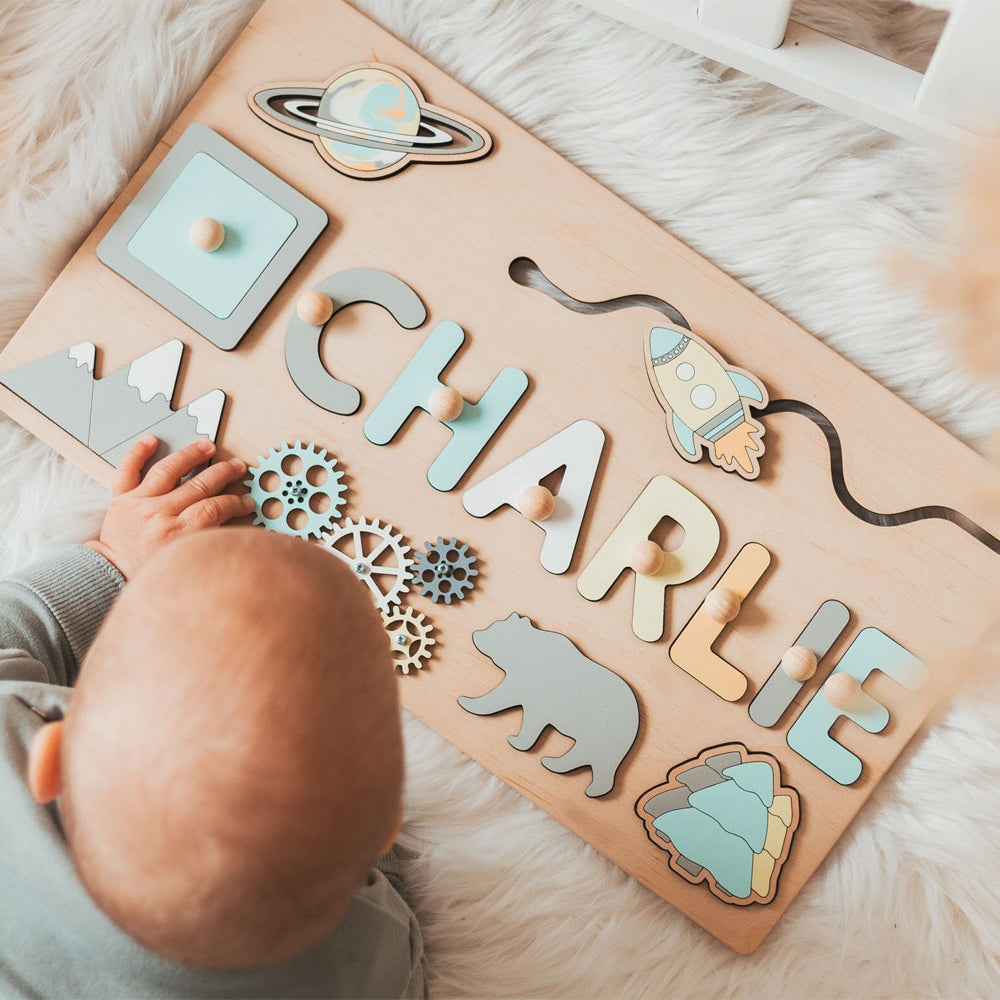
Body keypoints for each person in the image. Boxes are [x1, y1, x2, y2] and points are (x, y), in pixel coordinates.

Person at [0, 435, 426, 998]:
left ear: (48, 753)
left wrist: (113, 563)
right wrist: (351, 835)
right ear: (386, 830)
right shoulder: (369, 962)